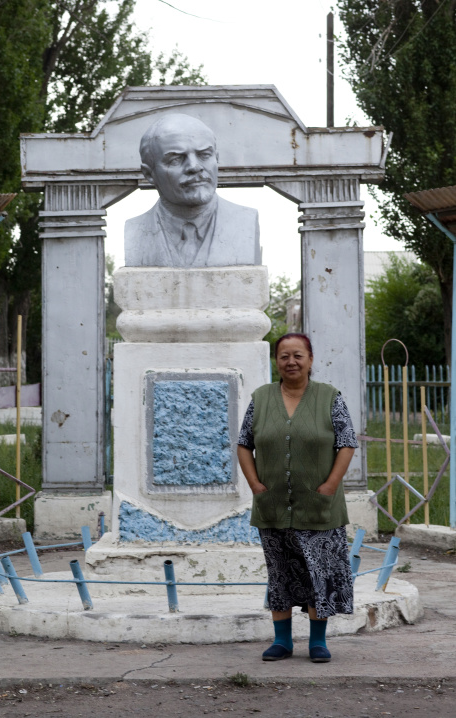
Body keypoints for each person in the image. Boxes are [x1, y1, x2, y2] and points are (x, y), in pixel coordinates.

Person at [237, 332, 358, 663]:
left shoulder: (329, 397)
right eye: (284, 356)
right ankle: (282, 641)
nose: (291, 361)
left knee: (319, 573)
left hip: (319, 504)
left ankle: (317, 642)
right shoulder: (261, 398)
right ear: (277, 361)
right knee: (279, 573)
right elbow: (244, 443)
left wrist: (331, 485)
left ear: (310, 359)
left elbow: (347, 442)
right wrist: (255, 485)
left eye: (298, 355)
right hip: (273, 504)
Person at [124, 113, 261, 268]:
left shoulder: (245, 222)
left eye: (204, 155)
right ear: (149, 174)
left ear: (217, 159)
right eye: (176, 159)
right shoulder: (136, 232)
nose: (194, 167)